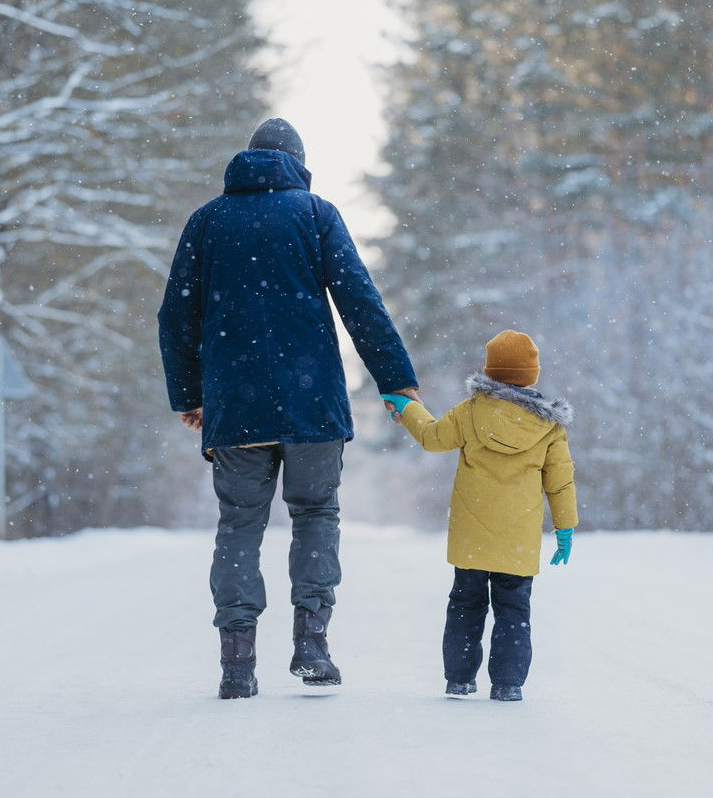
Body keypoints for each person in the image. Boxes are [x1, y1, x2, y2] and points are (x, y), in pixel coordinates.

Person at [157, 118, 419, 700]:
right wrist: (396, 381)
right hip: (312, 406)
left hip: (236, 408)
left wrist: (191, 394)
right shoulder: (315, 213)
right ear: (298, 162)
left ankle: (236, 664)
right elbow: (359, 299)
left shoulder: (207, 221)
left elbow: (175, 314)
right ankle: (312, 643)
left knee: (240, 525)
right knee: (315, 514)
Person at [381, 330, 577, 702]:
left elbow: (432, 437)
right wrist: (566, 526)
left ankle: (459, 678)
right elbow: (560, 481)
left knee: (465, 604)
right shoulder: (550, 426)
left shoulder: (471, 411)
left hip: (472, 533)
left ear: (490, 371)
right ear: (532, 374)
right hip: (518, 538)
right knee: (514, 609)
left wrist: (407, 407)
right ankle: (508, 684)